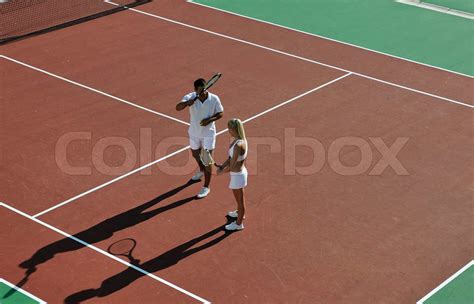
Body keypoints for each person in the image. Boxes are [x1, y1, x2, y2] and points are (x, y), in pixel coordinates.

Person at [176, 78, 224, 198]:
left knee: (207, 160)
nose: (202, 92)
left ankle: (206, 187)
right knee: (195, 154)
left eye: (204, 90)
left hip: (209, 134)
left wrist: (209, 120)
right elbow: (178, 107)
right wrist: (188, 103)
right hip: (194, 132)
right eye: (200, 91)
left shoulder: (214, 98)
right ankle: (202, 170)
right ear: (195, 90)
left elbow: (221, 113)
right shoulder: (190, 96)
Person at [216, 118, 248, 231]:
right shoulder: (237, 141)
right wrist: (222, 165)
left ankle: (239, 224)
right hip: (238, 174)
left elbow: (233, 166)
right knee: (239, 199)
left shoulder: (238, 145)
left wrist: (221, 172)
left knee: (240, 201)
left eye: (229, 128)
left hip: (238, 176)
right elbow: (230, 159)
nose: (228, 130)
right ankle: (239, 213)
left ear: (234, 129)